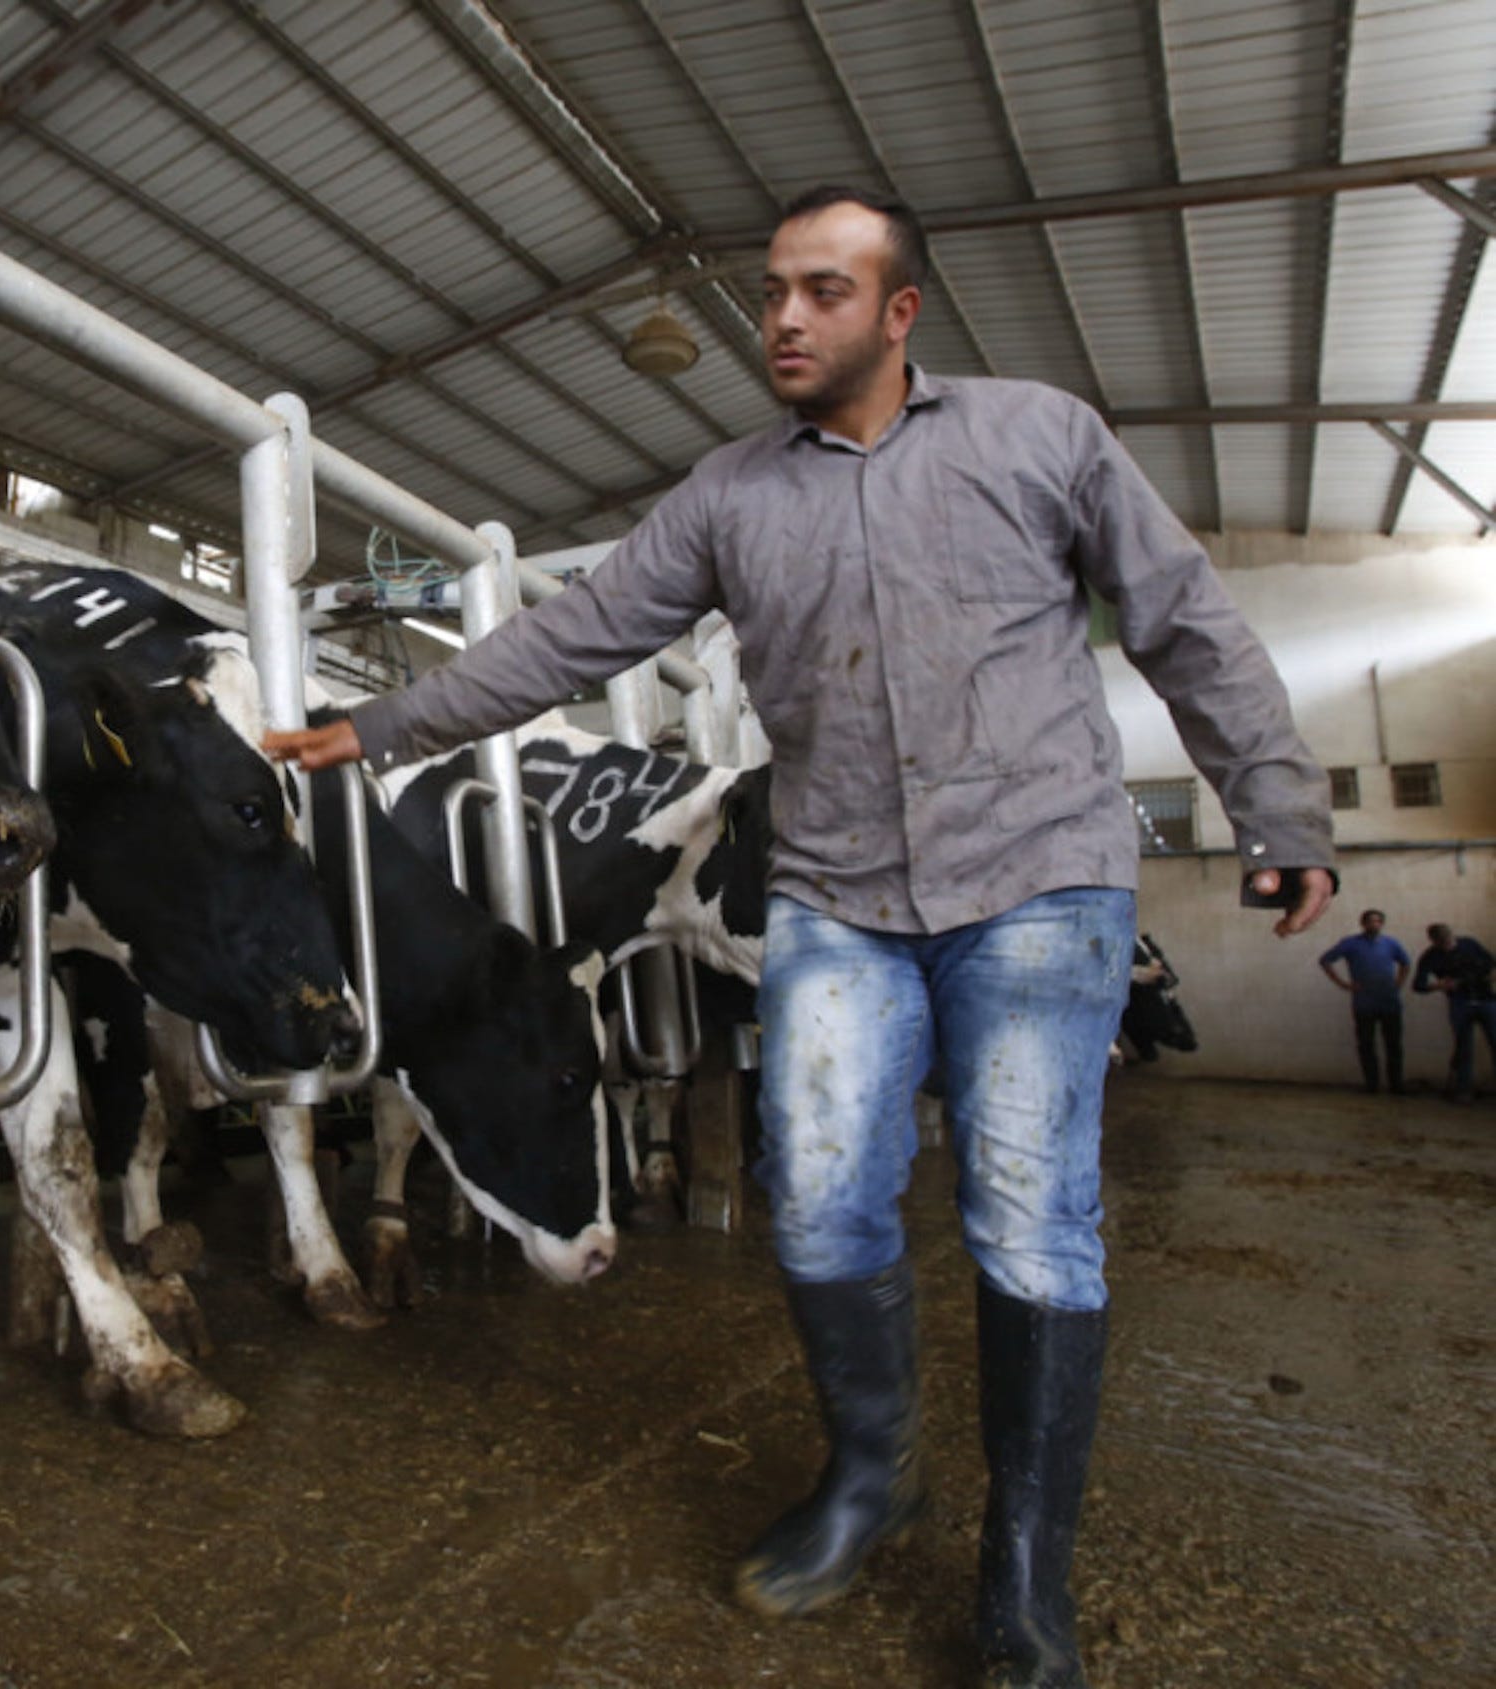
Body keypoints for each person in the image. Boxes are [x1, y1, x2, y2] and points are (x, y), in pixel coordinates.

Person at [265, 185, 1335, 1689]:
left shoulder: (1038, 435)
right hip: (835, 891)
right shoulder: (724, 495)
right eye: (770, 290)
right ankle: (869, 1476)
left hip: (1036, 875)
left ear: (899, 313)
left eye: (820, 291)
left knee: (1026, 1217)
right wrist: (372, 724)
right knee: (825, 1202)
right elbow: (568, 640)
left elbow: (1184, 620)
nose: (778, 317)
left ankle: (1022, 1572)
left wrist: (1275, 805)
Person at [1318, 909, 1410, 1093]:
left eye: (1377, 921)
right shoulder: (1351, 944)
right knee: (1366, 1044)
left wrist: (1398, 984)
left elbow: (1405, 963)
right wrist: (1343, 984)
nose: (1374, 925)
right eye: (1370, 921)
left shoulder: (1391, 944)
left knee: (1393, 1044)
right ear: (1363, 924)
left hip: (1389, 1001)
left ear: (1382, 924)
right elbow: (1325, 960)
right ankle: (1372, 1085)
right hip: (1364, 1003)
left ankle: (1396, 1085)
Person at [1412, 922, 1496, 1103]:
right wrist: (1438, 985)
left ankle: (1467, 1090)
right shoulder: (1431, 956)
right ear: (1434, 941)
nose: (1446, 944)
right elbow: (1418, 985)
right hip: (1460, 1002)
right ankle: (1464, 1090)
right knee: (1464, 1048)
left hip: (1485, 998)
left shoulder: (1469, 944)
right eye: (1442, 942)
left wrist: (1490, 975)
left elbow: (1491, 962)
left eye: (1448, 940)